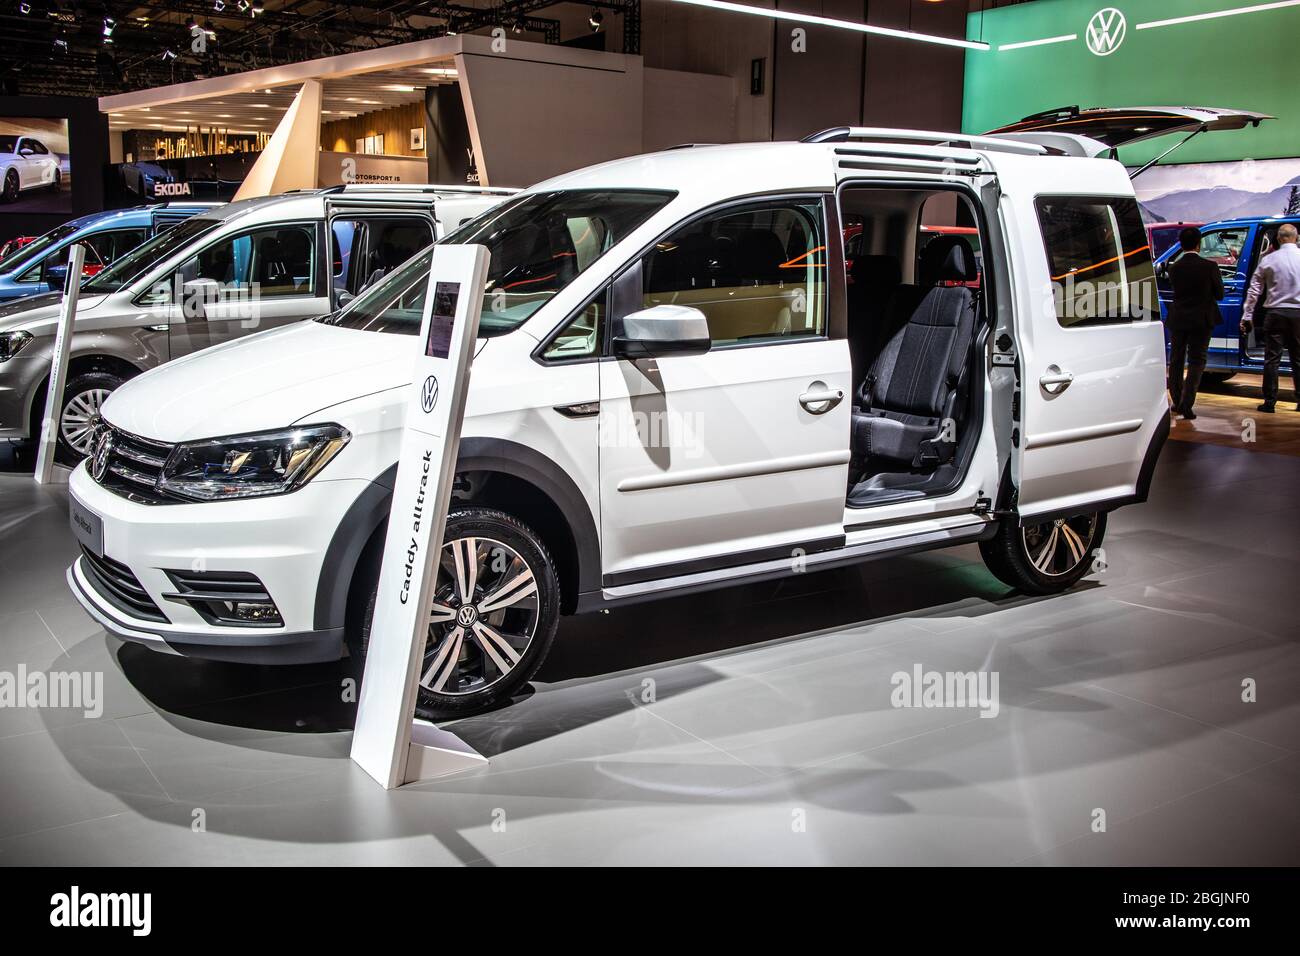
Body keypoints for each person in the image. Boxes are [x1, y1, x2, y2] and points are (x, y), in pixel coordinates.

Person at [1166, 226, 1224, 420]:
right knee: (1197, 361)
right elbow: (1220, 294)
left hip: (1179, 319)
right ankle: (1187, 404)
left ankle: (1176, 401)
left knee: (1176, 360)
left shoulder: (1174, 268)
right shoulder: (1210, 267)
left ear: (1181, 245)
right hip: (1202, 319)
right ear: (1199, 244)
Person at [1241, 222, 1300, 413]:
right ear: (1296, 238)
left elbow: (1254, 290)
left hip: (1275, 314)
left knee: (1272, 359)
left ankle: (1269, 402)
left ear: (1279, 239)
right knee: (1298, 359)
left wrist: (1247, 316)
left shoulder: (1269, 260)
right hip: (1298, 314)